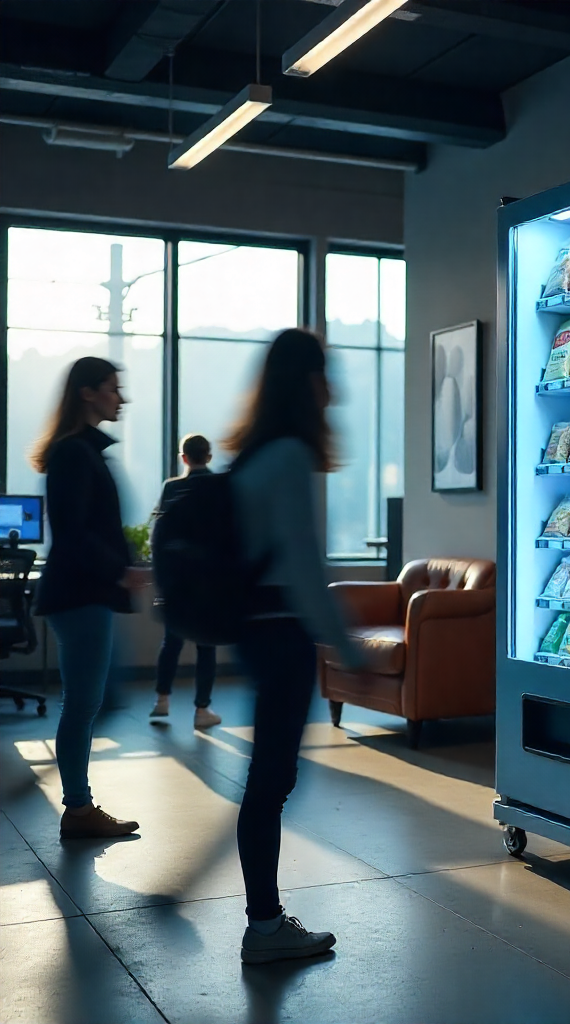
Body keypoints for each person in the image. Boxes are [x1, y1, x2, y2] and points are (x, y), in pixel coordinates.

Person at [224, 328, 363, 965]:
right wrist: (348, 650)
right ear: (307, 382)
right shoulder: (289, 456)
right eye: (325, 373)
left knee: (269, 779)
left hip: (258, 628)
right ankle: (265, 926)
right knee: (271, 781)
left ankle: (265, 921)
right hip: (282, 633)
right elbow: (304, 566)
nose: (333, 388)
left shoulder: (256, 453)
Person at [31, 357, 148, 840]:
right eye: (113, 388)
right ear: (87, 392)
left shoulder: (81, 451)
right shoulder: (74, 453)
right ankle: (78, 810)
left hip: (84, 594)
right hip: (80, 595)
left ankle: (79, 807)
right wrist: (120, 570)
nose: (122, 398)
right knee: (82, 705)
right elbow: (74, 533)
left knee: (86, 702)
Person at [150, 433, 221, 729]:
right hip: (208, 580)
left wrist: (161, 577)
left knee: (172, 641)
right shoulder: (220, 486)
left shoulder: (172, 487)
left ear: (183, 457)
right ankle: (202, 710)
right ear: (209, 456)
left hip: (177, 580)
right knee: (206, 645)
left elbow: (159, 535)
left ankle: (162, 700)